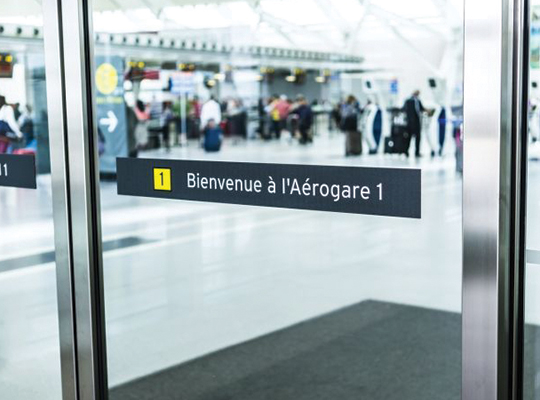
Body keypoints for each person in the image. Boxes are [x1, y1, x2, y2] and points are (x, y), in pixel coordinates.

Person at [403, 90, 427, 157]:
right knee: (408, 138)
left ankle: (417, 152)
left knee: (418, 138)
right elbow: (404, 109)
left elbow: (421, 109)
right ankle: (406, 151)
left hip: (417, 122)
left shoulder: (418, 101)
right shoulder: (408, 101)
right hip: (410, 122)